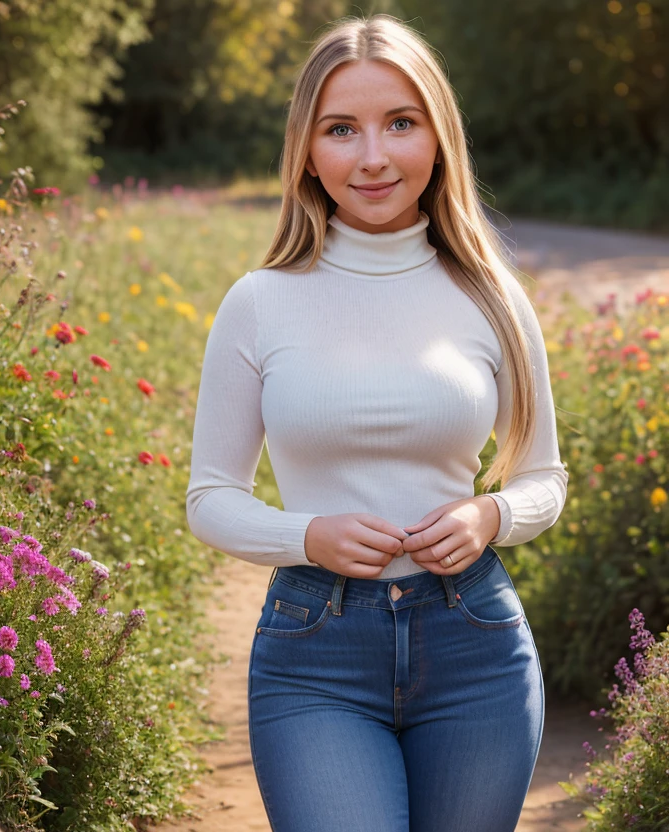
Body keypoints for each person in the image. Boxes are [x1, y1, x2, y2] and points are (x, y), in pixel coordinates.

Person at [186, 13, 569, 832]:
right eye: (340, 129)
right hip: (313, 653)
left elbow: (544, 479)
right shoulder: (260, 303)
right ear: (307, 152)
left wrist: (488, 514)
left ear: (438, 136)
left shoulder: (493, 294)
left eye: (400, 122)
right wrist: (308, 536)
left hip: (477, 648)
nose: (373, 156)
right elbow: (209, 498)